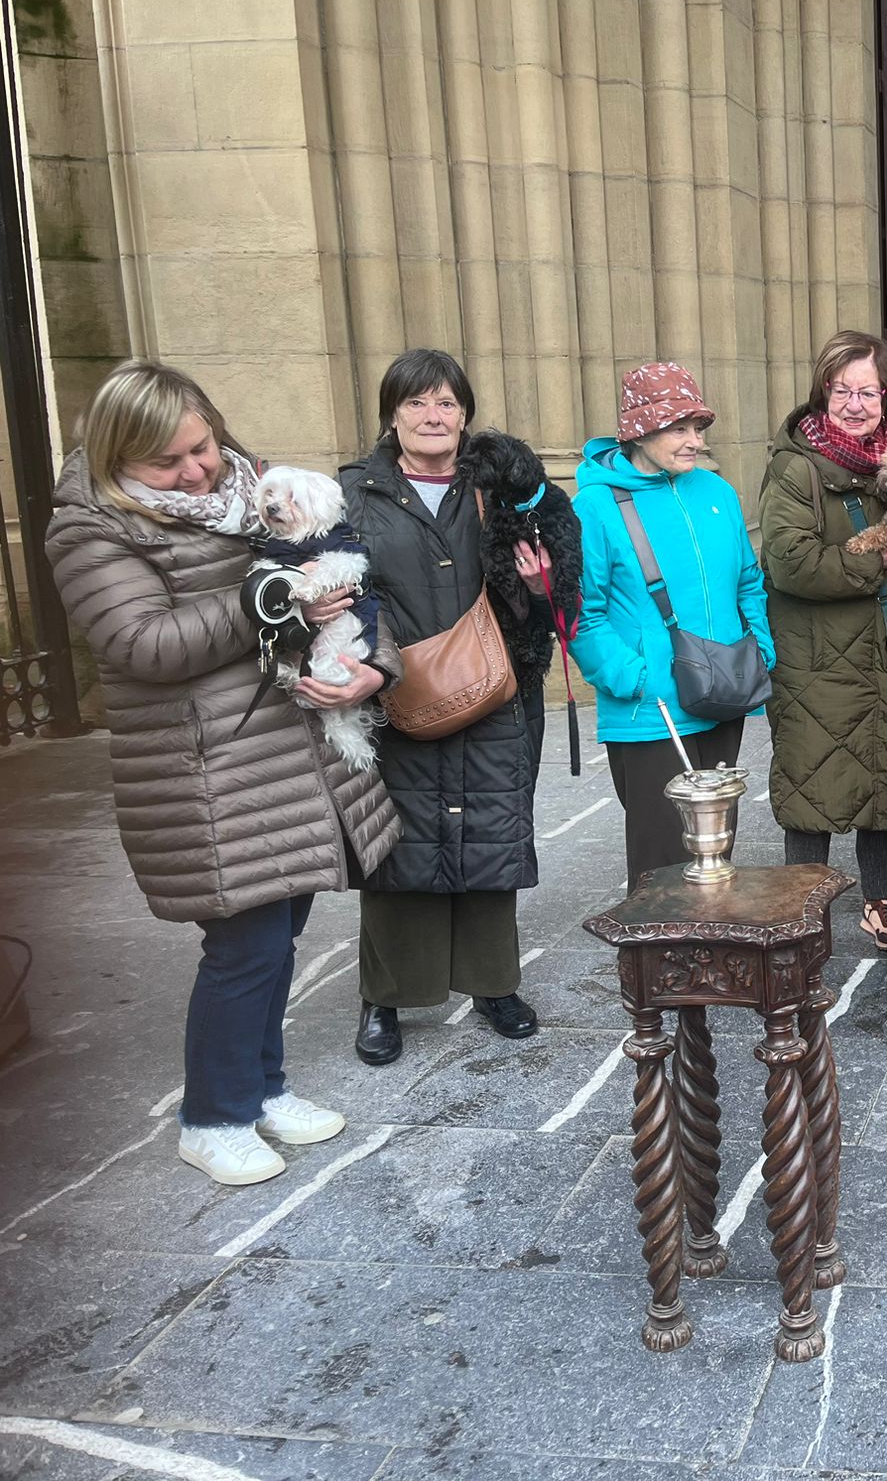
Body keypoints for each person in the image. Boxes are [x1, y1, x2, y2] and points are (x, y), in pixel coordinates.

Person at [45, 360, 400, 1185]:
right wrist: (267, 597)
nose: (197, 470)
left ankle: (261, 1089)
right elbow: (144, 646)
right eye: (167, 464)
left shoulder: (257, 490)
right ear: (116, 458)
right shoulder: (92, 529)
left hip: (291, 759)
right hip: (210, 770)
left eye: (201, 447)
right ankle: (211, 1116)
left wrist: (370, 669)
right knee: (242, 947)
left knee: (279, 939)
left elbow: (348, 586)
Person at [341, 349, 553, 1064]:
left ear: (465, 415)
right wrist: (374, 658)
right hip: (392, 693)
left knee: (492, 837)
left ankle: (493, 985)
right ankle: (386, 997)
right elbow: (338, 593)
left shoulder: (497, 489)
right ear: (391, 415)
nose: (433, 417)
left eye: (447, 404)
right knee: (398, 850)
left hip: (492, 690)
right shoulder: (355, 494)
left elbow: (538, 587)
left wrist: (539, 583)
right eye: (416, 403)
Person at [760, 330, 887, 953]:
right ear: (823, 391)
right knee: (812, 784)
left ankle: (881, 902)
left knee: (878, 779)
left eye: (870, 391)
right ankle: (800, 910)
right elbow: (791, 563)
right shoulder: (797, 465)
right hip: (816, 659)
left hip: (884, 651)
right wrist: (883, 561)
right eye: (843, 390)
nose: (856, 404)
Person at [570, 361, 775, 882]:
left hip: (725, 692)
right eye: (678, 428)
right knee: (663, 864)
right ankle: (656, 964)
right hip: (652, 713)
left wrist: (759, 646)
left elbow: (748, 579)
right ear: (640, 431)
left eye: (698, 428)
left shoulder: (716, 492)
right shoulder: (594, 505)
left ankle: (711, 962)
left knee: (715, 854)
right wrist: (633, 678)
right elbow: (579, 613)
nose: (694, 442)